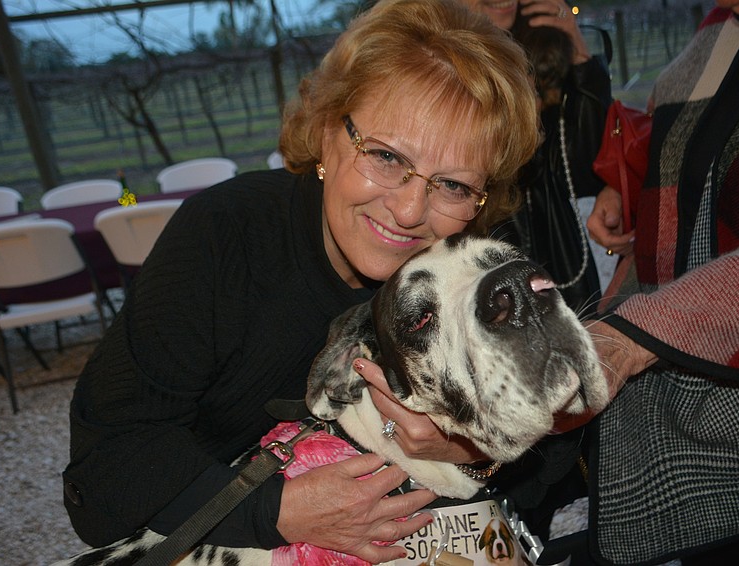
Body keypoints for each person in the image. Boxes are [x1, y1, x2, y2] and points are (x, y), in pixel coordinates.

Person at [61, 0, 539, 562]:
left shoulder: (468, 267)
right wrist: (278, 510)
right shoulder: (226, 235)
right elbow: (104, 473)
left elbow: (555, 444)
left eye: (453, 185)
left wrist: (473, 446)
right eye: (385, 156)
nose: (410, 209)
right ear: (326, 131)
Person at [578, 0, 739, 562]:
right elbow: (686, 138)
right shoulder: (720, 27)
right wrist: (625, 185)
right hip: (687, 372)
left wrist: (632, 337)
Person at [459, 0, 613, 314]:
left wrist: (578, 53)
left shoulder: (535, 52)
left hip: (554, 249)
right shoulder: (428, 59)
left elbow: (586, 165)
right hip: (473, 256)